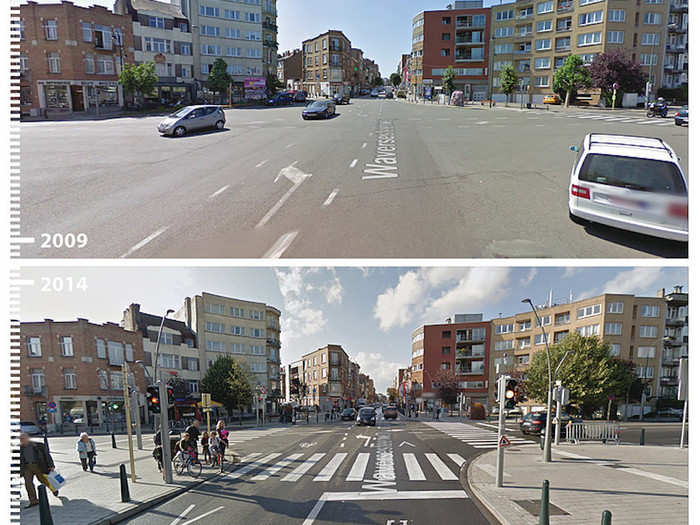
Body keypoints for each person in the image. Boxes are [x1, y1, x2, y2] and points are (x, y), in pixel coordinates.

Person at [19, 432, 58, 508]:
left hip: (38, 466)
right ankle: (33, 501)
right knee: (28, 483)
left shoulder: (38, 445)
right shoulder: (19, 448)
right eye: (20, 439)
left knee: (43, 480)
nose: (21, 440)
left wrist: (51, 465)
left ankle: (54, 489)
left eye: (23, 439)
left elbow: (47, 455)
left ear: (28, 438)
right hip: (27, 467)